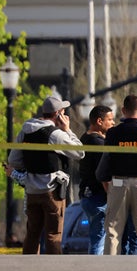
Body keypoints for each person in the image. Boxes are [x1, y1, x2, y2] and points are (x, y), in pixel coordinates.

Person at [5, 94, 84, 255]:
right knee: (53, 235)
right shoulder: (55, 134)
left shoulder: (26, 130)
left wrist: (32, 164)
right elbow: (80, 152)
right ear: (58, 114)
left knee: (32, 235)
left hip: (31, 191)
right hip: (51, 192)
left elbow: (13, 159)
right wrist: (67, 129)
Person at [99, 94, 137, 255]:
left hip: (118, 183)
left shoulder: (113, 133)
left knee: (113, 232)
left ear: (123, 110)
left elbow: (107, 158)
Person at [78, 104, 116, 255]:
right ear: (99, 121)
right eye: (110, 119)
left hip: (87, 194)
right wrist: (111, 195)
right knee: (99, 240)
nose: (113, 123)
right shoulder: (98, 143)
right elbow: (103, 174)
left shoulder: (85, 138)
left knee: (97, 238)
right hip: (98, 197)